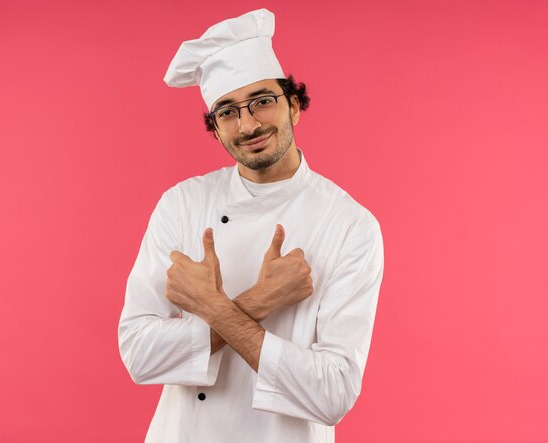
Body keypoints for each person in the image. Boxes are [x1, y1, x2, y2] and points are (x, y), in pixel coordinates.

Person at [117, 8, 384, 443]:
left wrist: (215, 307)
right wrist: (261, 300)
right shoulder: (182, 204)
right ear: (215, 130)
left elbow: (334, 394)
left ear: (294, 105)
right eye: (227, 112)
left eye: (262, 101)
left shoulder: (350, 225)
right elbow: (139, 355)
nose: (248, 124)